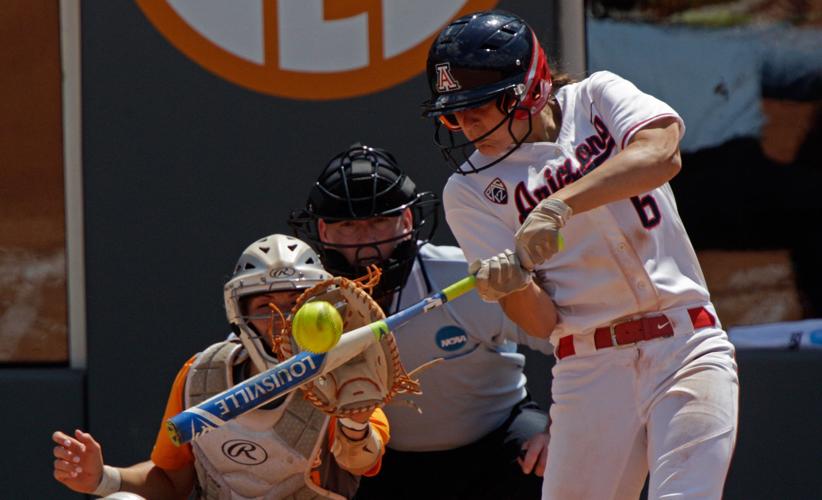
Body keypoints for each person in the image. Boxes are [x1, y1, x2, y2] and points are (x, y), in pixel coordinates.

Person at [421, 10, 739, 500]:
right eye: (453, 114)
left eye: (477, 108)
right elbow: (542, 320)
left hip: (686, 342)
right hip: (590, 366)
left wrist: (559, 205)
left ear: (525, 90)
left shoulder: (596, 97)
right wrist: (513, 285)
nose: (465, 125)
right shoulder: (469, 190)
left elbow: (661, 153)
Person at [289, 143, 554, 500]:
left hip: (500, 443)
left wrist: (562, 430)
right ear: (322, 231)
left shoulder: (463, 276)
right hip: (381, 462)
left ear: (408, 222)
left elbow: (572, 338)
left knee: (550, 464)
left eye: (380, 222)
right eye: (348, 226)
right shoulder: (307, 302)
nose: (366, 243)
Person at [52, 234, 389, 500]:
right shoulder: (203, 374)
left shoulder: (347, 375)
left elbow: (359, 462)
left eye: (296, 304)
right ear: (240, 313)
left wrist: (355, 422)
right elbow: (171, 481)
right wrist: (101, 478)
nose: (283, 320)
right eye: (265, 306)